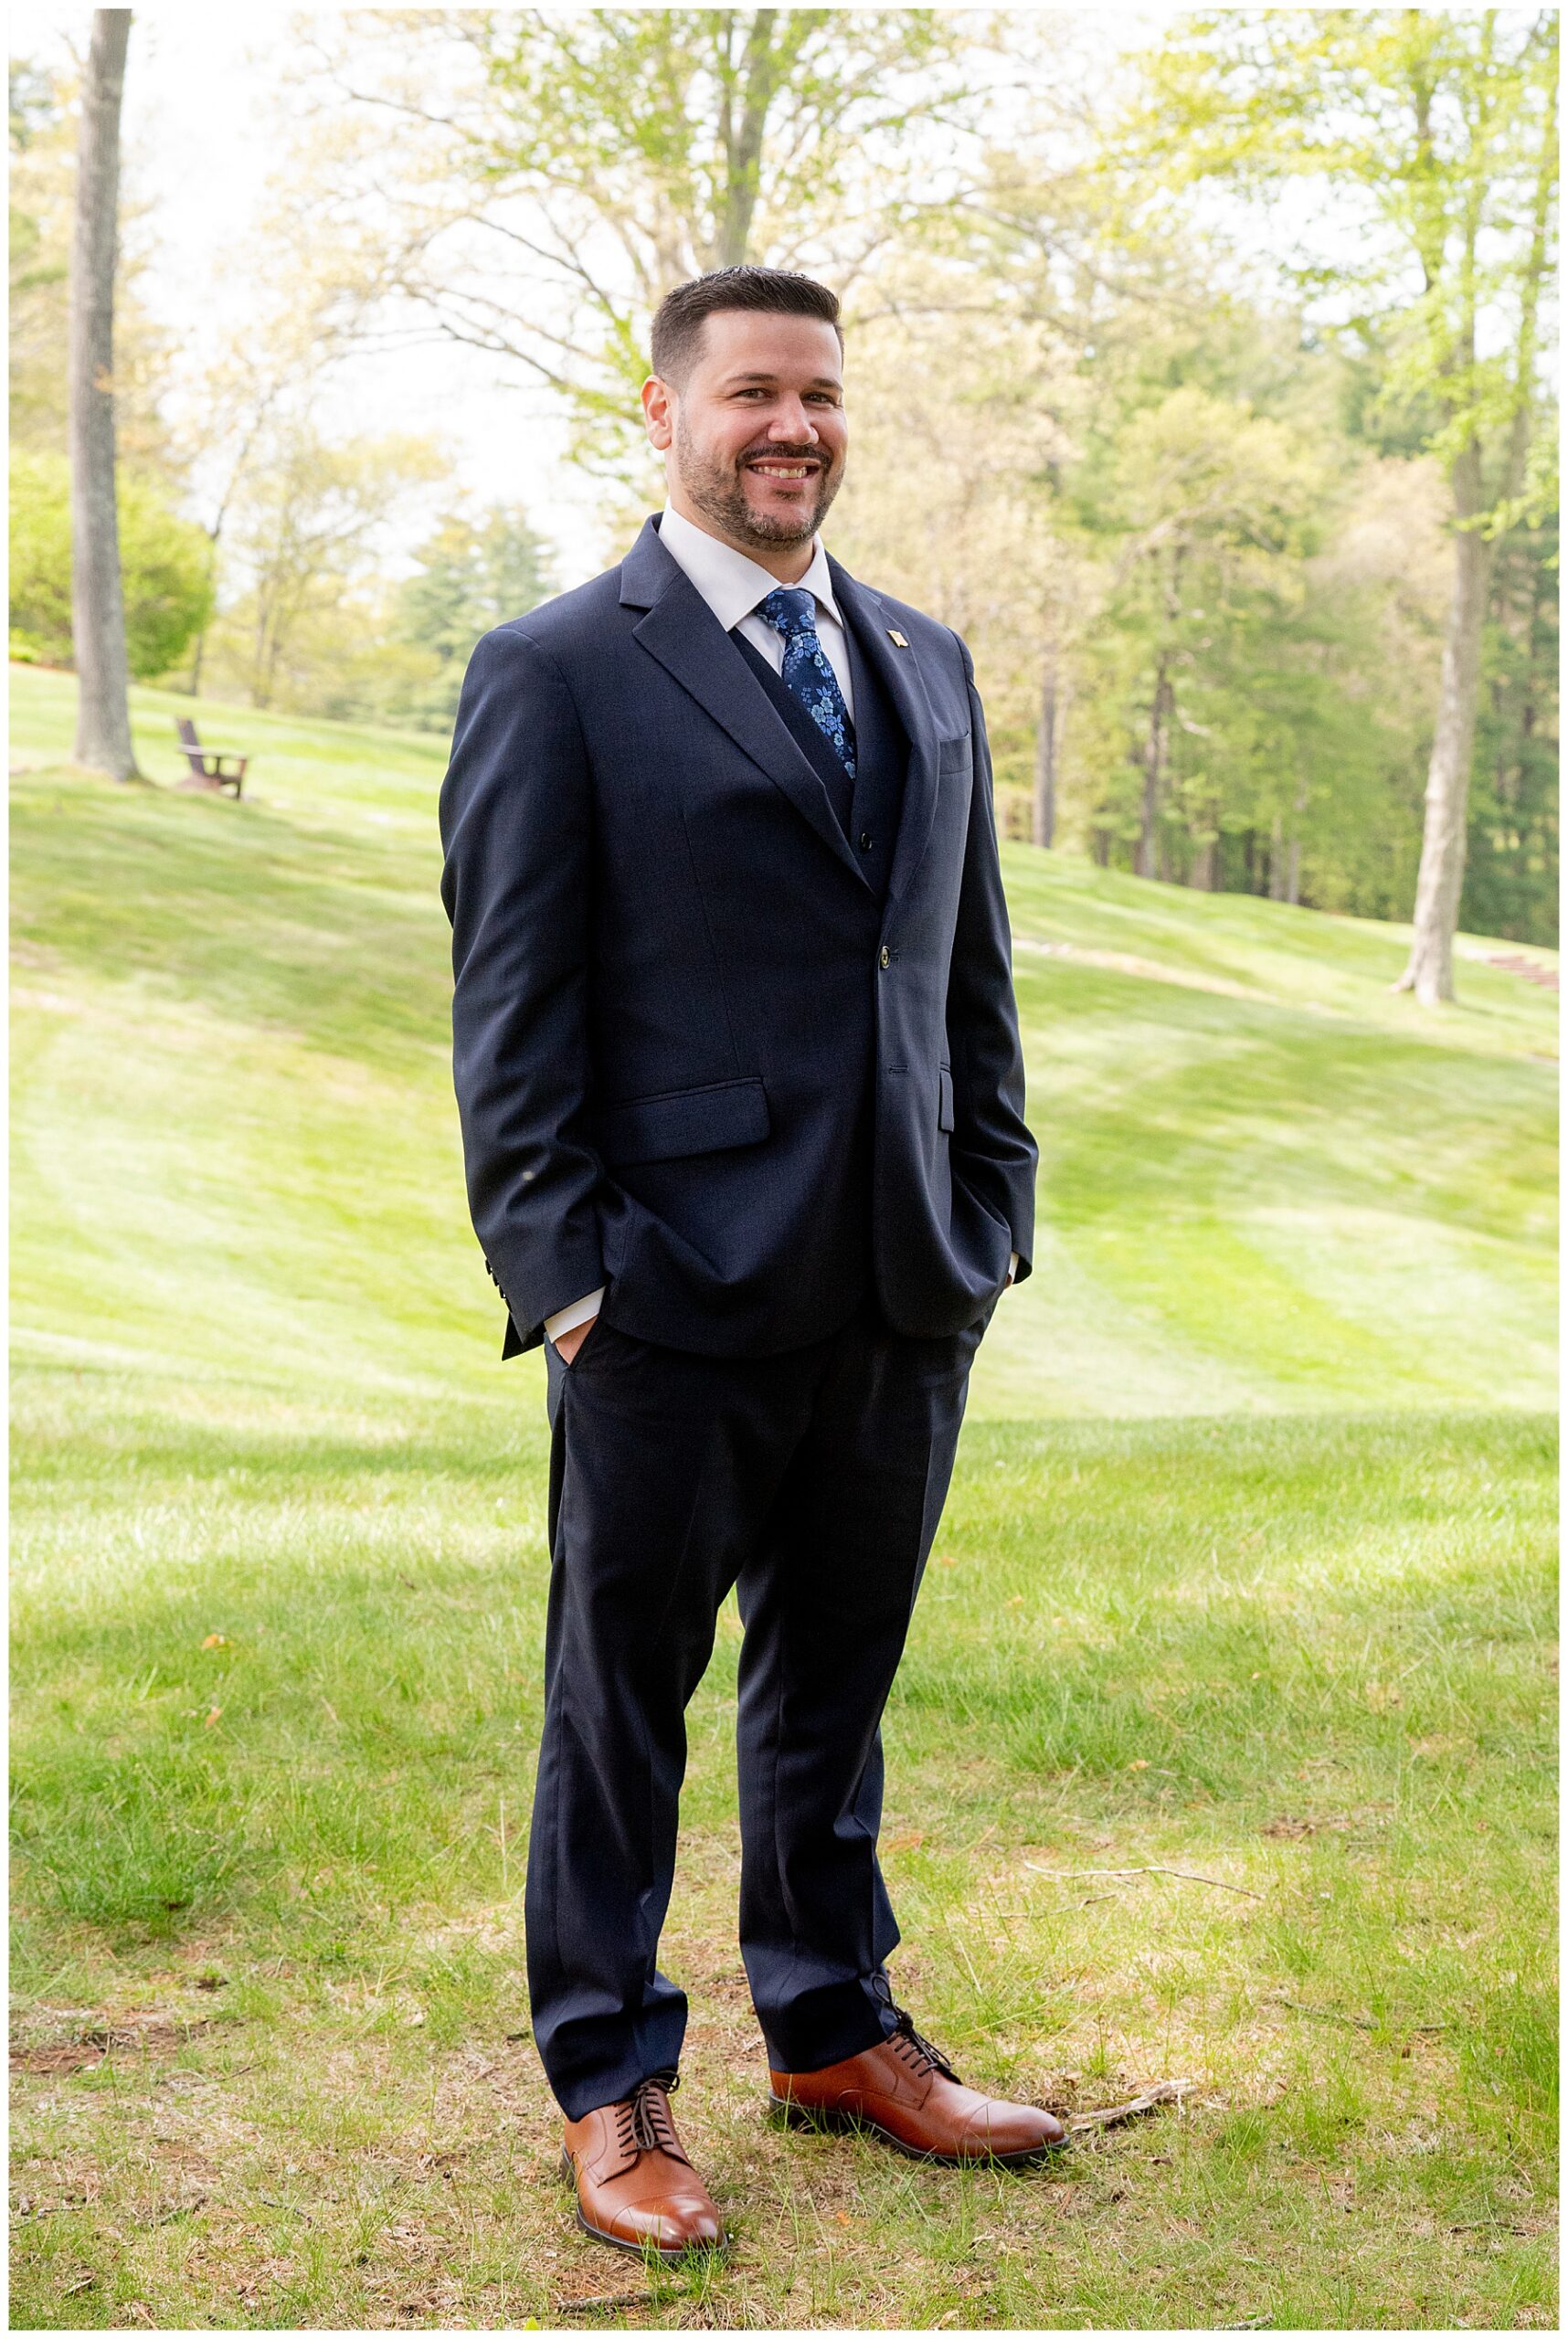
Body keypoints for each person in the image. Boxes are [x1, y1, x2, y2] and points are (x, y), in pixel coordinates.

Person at [439, 265, 1065, 2264]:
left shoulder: (923, 655)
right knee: (620, 1701)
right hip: (669, 1293)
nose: (793, 430)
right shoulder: (557, 667)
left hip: (903, 1272)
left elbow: (964, 968)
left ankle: (832, 2016)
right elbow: (510, 1004)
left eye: (820, 398)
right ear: (664, 412)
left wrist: (995, 1199)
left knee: (835, 1682)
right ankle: (609, 2074)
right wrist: (568, 1275)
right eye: (753, 399)